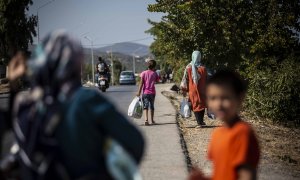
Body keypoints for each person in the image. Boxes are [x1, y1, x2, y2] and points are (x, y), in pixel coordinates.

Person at [11, 31, 145, 179]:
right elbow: (135, 142)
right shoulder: (86, 99)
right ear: (74, 63)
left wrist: (13, 87)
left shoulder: (26, 106)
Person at [189, 70, 260, 180]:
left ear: (240, 98)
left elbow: (246, 176)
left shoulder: (242, 133)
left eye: (225, 98)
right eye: (213, 98)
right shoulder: (217, 133)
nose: (219, 104)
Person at [181, 50, 207, 128]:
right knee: (201, 104)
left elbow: (185, 80)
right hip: (202, 90)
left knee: (195, 105)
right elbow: (206, 79)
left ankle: (199, 123)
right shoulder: (203, 68)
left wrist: (184, 90)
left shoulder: (188, 67)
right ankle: (201, 121)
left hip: (192, 90)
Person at [137, 59, 159, 126]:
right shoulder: (155, 73)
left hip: (145, 93)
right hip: (152, 93)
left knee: (145, 106)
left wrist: (139, 92)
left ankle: (146, 120)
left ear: (148, 66)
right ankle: (152, 120)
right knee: (152, 106)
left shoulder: (143, 73)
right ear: (154, 66)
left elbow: (141, 83)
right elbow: (157, 81)